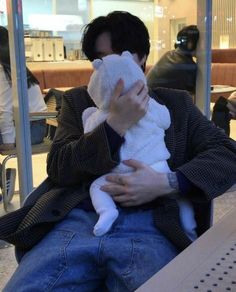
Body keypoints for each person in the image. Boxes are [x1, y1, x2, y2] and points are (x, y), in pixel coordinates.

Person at [0, 11, 236, 291]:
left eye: (120, 55)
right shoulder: (80, 102)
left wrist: (166, 183)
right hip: (79, 220)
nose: (110, 67)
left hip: (153, 225)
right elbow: (60, 165)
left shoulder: (175, 104)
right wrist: (115, 124)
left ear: (141, 59)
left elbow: (227, 154)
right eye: (101, 59)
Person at [84, 50, 196, 240]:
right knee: (181, 202)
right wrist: (119, 121)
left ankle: (106, 212)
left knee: (97, 187)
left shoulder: (100, 114)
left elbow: (88, 130)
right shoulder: (151, 105)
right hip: (159, 166)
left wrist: (168, 183)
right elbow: (165, 120)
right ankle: (190, 231)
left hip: (119, 174)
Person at [0, 26, 47, 200]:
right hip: (28, 123)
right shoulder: (12, 65)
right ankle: (4, 177)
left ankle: (3, 177)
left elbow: (5, 110)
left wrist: (8, 141)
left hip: (31, 126)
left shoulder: (4, 69)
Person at [146, 25, 199, 95]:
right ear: (190, 44)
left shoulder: (169, 54)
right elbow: (199, 94)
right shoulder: (188, 65)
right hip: (157, 102)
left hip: (148, 100)